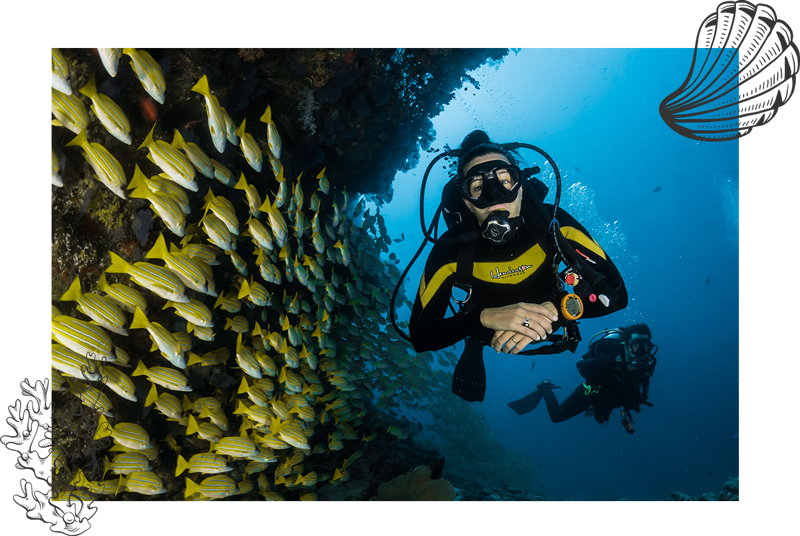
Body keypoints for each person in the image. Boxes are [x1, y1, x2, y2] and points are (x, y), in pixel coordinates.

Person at [407, 130, 628, 401]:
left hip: (554, 312)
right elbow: (421, 336)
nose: (493, 196)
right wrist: (480, 319)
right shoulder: (450, 250)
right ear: (466, 201)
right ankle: (475, 342)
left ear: (521, 186)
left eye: (505, 180)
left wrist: (558, 310)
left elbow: (616, 294)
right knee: (474, 333)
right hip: (485, 329)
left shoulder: (554, 224)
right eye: (477, 187)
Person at [508, 324, 657, 434]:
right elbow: (581, 366)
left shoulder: (646, 367)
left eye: (646, 346)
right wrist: (604, 372)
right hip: (591, 394)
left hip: (613, 398)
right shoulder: (610, 359)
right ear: (626, 346)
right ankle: (544, 387)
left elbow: (642, 392)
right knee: (556, 416)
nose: (642, 352)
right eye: (637, 345)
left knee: (600, 420)